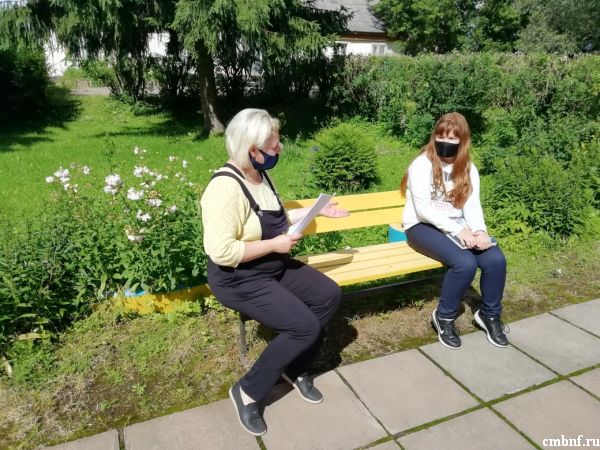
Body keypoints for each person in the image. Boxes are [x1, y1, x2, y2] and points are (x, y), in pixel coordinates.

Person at [200, 108, 348, 436]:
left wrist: (316, 211)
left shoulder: (260, 174)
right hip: (237, 278)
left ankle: (294, 369)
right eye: (273, 145)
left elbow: (274, 218)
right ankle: (248, 391)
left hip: (270, 266)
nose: (280, 148)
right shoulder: (224, 189)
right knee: (304, 327)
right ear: (252, 150)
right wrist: (275, 245)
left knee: (328, 295)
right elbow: (221, 252)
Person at [400, 112, 508, 350]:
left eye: (452, 138)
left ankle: (489, 315)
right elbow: (424, 210)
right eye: (441, 136)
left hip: (457, 227)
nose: (445, 142)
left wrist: (479, 231)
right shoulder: (422, 164)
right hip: (421, 226)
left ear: (462, 140)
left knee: (495, 260)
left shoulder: (468, 168)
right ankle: (444, 317)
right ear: (434, 136)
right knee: (465, 263)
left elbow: (472, 205)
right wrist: (459, 231)